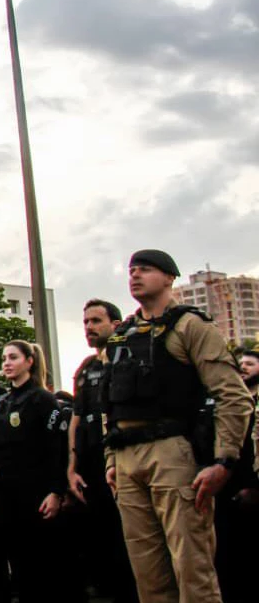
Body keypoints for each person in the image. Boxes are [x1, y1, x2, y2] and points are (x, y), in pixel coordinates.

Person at [103, 250, 252, 603]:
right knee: (148, 576)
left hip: (172, 450)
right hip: (126, 456)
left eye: (146, 269)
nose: (135, 275)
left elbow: (234, 396)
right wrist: (111, 459)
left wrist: (224, 461)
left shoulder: (190, 326)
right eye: (131, 270)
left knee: (192, 570)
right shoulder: (122, 335)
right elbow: (109, 403)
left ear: (170, 277)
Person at [0, 341, 66, 603]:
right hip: (8, 494)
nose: (6, 363)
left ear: (29, 361)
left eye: (13, 357)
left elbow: (57, 449)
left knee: (41, 565)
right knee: (17, 564)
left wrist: (56, 491)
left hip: (37, 492)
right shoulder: (3, 403)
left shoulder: (42, 399)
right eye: (4, 358)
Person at [66, 299, 138, 603]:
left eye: (96, 321)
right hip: (93, 468)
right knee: (101, 542)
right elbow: (76, 419)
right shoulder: (86, 368)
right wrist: (71, 466)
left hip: (125, 462)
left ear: (116, 324)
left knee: (131, 543)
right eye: (85, 322)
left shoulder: (129, 360)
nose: (89, 328)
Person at [216, 349, 259, 603]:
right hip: (233, 486)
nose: (243, 367)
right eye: (240, 363)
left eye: (250, 364)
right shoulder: (230, 400)